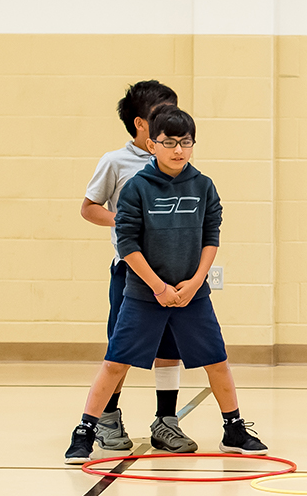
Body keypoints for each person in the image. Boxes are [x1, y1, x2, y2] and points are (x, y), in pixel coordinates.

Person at [65, 102, 266, 464]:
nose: (178, 150)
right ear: (152, 145)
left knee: (217, 361)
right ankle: (85, 431)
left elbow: (211, 235)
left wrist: (195, 282)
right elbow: (127, 243)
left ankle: (233, 428)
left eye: (185, 142)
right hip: (144, 294)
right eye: (169, 142)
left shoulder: (203, 186)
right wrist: (158, 286)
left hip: (193, 295)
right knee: (115, 362)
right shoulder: (137, 189)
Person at [80, 80, 187, 453]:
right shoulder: (115, 162)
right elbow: (89, 207)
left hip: (173, 272)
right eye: (162, 114)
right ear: (142, 123)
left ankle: (166, 420)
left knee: (170, 348)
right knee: (122, 349)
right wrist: (125, 220)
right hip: (132, 273)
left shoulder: (176, 161)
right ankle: (107, 419)